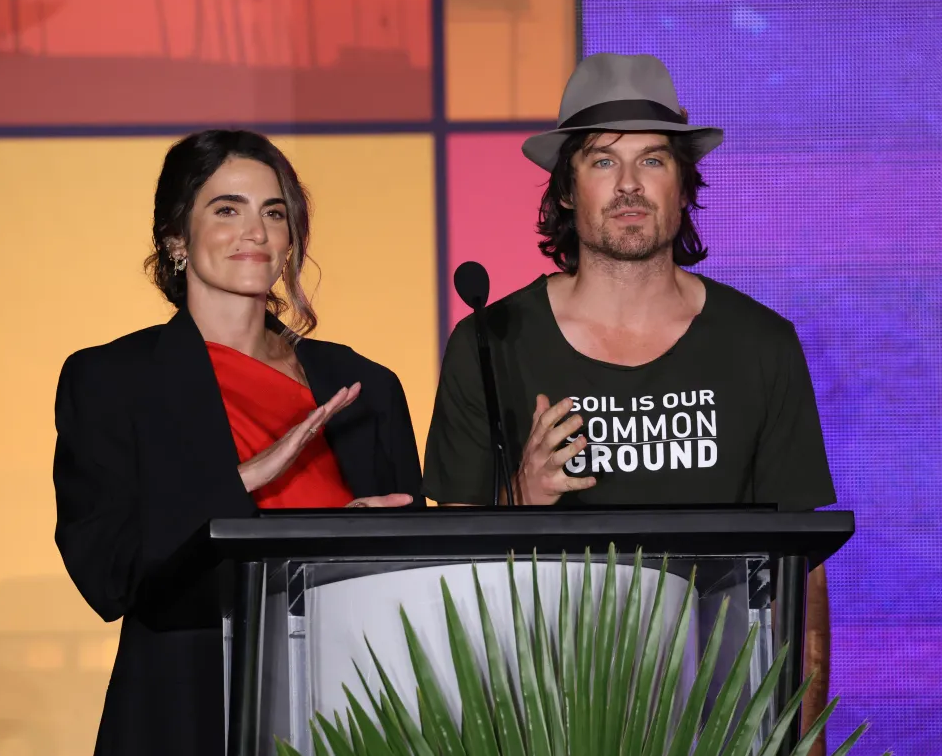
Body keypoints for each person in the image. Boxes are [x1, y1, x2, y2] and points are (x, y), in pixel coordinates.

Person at [422, 54, 834, 753]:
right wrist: (518, 497)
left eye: (653, 161)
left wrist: (803, 736)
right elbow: (451, 583)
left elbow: (805, 574)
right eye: (603, 162)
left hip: (720, 724)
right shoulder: (492, 341)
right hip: (541, 722)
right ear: (563, 191)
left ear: (684, 186)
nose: (630, 187)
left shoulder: (762, 343)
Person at [53, 130, 422, 755]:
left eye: (273, 213)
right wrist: (243, 480)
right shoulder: (111, 380)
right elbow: (106, 575)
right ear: (176, 236)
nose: (255, 231)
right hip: (188, 706)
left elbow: (412, 567)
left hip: (349, 698)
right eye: (227, 209)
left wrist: (351, 547)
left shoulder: (364, 385)